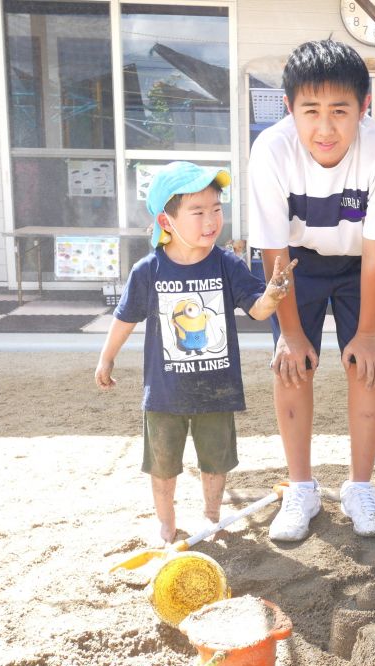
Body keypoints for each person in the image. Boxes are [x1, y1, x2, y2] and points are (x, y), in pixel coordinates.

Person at [247, 40, 375, 542]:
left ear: (364, 108)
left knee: (367, 364)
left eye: (340, 111)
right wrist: (291, 334)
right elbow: (274, 254)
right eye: (310, 111)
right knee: (293, 364)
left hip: (363, 261)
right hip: (295, 263)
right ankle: (302, 487)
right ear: (288, 107)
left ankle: (360, 486)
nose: (325, 127)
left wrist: (366, 333)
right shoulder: (271, 149)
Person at [95, 161, 296, 544]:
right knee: (162, 465)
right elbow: (125, 318)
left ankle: (211, 515)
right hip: (165, 393)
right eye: (198, 211)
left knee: (215, 462)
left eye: (216, 210)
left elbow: (256, 309)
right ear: (166, 221)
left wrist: (272, 294)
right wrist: (106, 358)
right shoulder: (148, 270)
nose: (211, 220)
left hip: (217, 390)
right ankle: (166, 524)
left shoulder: (228, 264)